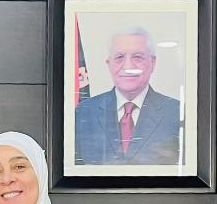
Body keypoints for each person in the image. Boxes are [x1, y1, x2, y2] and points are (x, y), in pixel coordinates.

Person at [75, 28, 182, 166]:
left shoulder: (177, 112)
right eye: (119, 57)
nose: (128, 66)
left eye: (137, 57)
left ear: (153, 63)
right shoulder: (83, 112)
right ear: (109, 63)